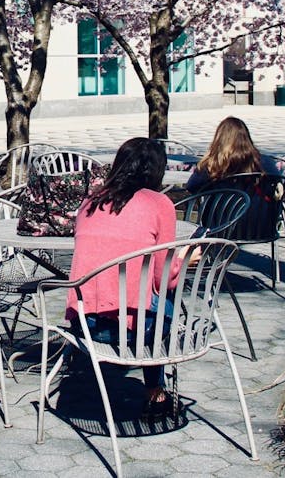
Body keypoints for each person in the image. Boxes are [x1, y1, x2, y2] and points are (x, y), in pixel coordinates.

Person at [67, 136, 180, 417]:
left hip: (85, 325)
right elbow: (163, 280)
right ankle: (155, 391)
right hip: (136, 329)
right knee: (161, 299)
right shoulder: (159, 204)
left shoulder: (89, 201)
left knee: (135, 295)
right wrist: (183, 260)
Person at [184, 116, 276, 194]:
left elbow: (192, 187)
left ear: (219, 141)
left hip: (221, 213)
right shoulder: (264, 162)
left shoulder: (212, 166)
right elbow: (280, 182)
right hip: (258, 213)